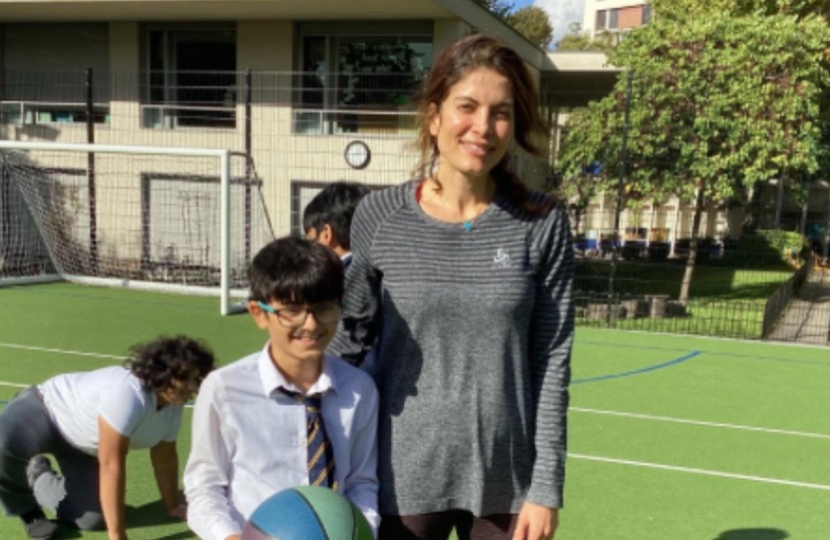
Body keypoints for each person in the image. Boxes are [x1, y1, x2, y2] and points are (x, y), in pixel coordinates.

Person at [327, 33, 574, 540]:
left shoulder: (542, 222)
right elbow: (347, 341)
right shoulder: (380, 216)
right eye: (468, 106)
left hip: (507, 480)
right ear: (435, 115)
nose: (483, 127)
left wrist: (546, 487)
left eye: (500, 112)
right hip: (401, 473)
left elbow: (552, 360)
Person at [183, 237, 379, 540]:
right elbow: (204, 486)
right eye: (291, 310)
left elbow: (361, 482)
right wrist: (230, 536)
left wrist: (362, 530)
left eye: (323, 308)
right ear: (259, 313)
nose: (311, 324)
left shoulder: (359, 390)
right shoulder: (225, 389)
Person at [0, 335, 216, 540]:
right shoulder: (128, 393)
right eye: (186, 378)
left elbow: (164, 458)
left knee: (92, 520)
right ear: (164, 373)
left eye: (196, 378)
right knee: (3, 441)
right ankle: (27, 511)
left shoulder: (172, 408)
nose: (194, 386)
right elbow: (112, 464)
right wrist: (117, 535)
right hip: (46, 409)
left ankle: (37, 474)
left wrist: (172, 505)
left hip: (83, 445)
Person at [303, 181, 371, 271]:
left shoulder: (330, 282)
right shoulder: (386, 273)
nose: (308, 252)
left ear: (326, 233)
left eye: (311, 241)